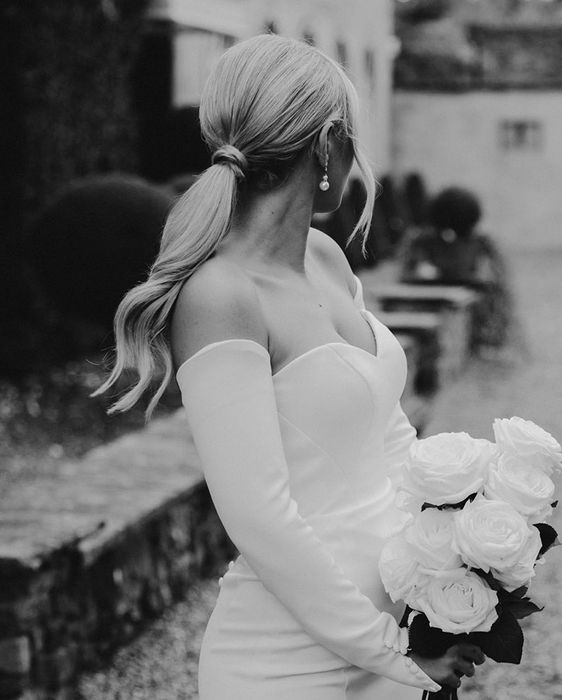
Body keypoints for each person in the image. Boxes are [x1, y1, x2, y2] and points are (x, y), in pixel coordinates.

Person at [93, 35, 483, 699]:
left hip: (401, 632)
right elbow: (259, 517)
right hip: (290, 664)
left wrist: (458, 555)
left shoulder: (326, 258)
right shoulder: (222, 296)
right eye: (352, 138)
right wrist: (391, 650)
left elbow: (389, 436)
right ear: (327, 144)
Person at [400, 186, 514, 354]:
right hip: (432, 294)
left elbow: (493, 276)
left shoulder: (479, 243)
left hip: (459, 292)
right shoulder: (424, 240)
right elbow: (409, 271)